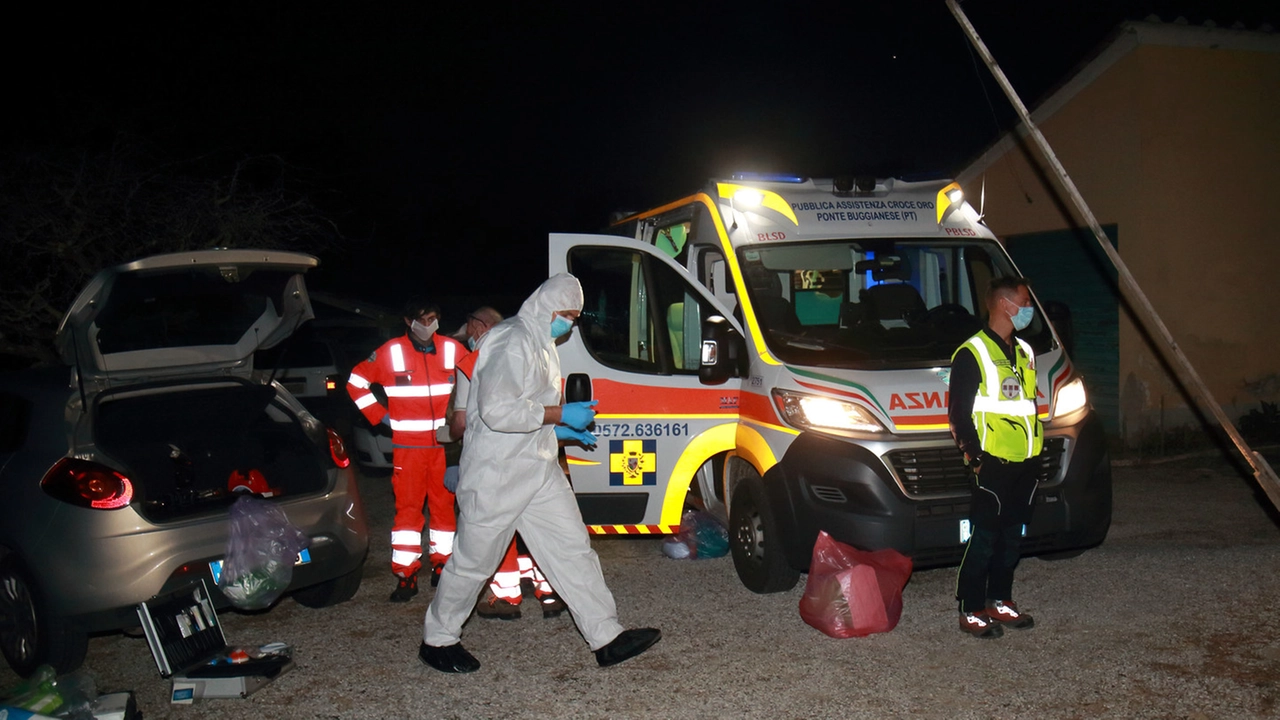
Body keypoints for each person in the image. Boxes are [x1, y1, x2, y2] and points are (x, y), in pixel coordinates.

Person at [419, 273, 661, 673]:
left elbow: (526, 407)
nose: (570, 323)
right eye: (567, 315)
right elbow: (498, 411)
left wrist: (557, 428)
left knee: (572, 549)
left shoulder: (541, 342)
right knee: (474, 561)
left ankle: (606, 636)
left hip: (536, 466)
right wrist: (561, 414)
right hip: (498, 474)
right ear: (549, 307)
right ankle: (438, 639)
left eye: (575, 317)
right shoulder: (513, 339)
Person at [444, 306, 566, 621]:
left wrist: (449, 441)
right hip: (536, 460)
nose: (467, 338)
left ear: (478, 325)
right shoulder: (537, 352)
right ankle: (549, 593)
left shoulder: (472, 362)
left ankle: (508, 596)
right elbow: (554, 408)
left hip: (492, 465)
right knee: (542, 536)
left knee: (488, 541)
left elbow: (461, 421)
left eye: (469, 331)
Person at [347, 300, 468, 602]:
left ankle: (444, 567)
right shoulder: (390, 352)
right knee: (408, 514)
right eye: (423, 318)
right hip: (408, 448)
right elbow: (355, 382)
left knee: (444, 510)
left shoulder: (453, 349)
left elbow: (479, 377)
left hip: (445, 448)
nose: (429, 323)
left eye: (434, 318)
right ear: (408, 320)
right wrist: (380, 415)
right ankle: (406, 575)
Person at [947, 277, 1043, 639]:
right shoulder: (972, 353)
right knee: (985, 539)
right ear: (1005, 305)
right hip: (993, 465)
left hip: (1026, 464)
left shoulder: (1025, 353)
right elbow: (958, 414)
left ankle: (1000, 600)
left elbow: (1027, 408)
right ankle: (970, 609)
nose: (1028, 308)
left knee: (1012, 539)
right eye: (1025, 301)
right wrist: (974, 458)